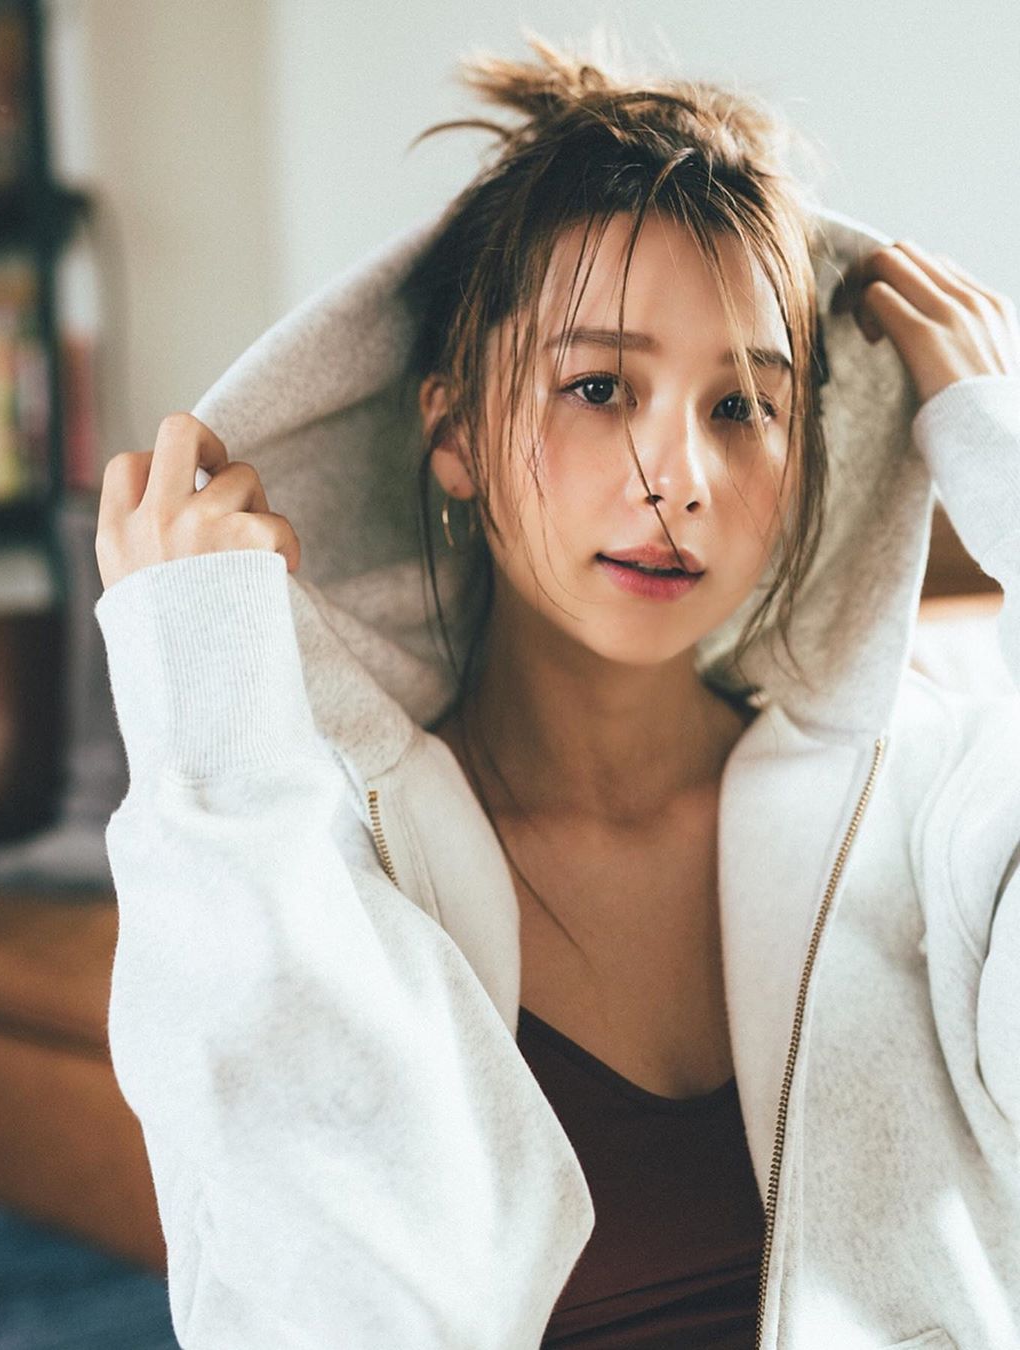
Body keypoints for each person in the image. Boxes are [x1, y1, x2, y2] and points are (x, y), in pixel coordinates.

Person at [93, 31, 1020, 1350]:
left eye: (744, 407)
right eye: (598, 386)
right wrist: (207, 725)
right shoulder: (334, 855)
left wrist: (1006, 466)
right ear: (454, 433)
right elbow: (306, 1289)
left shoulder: (930, 795)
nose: (677, 476)